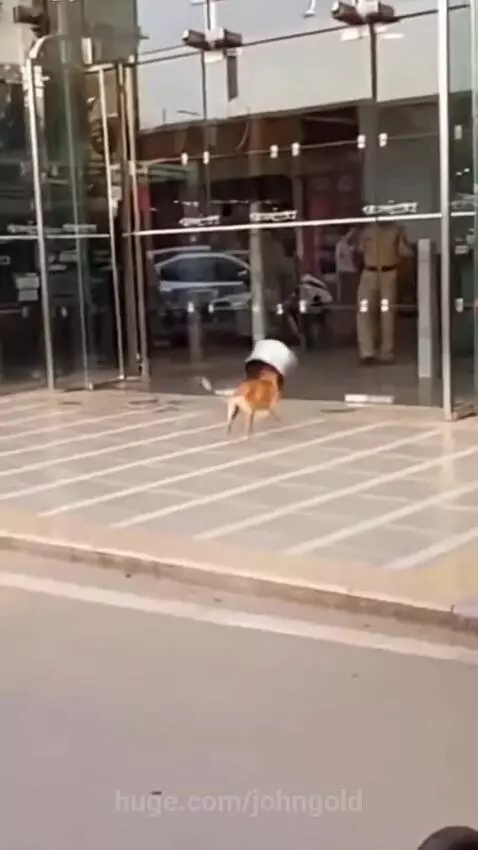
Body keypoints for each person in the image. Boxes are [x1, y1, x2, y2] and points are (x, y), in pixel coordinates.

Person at [356, 220, 414, 364]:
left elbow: (405, 252)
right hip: (369, 272)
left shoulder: (397, 230)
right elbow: (358, 250)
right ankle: (367, 351)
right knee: (364, 310)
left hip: (389, 272)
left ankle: (386, 352)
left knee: (387, 312)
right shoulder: (367, 230)